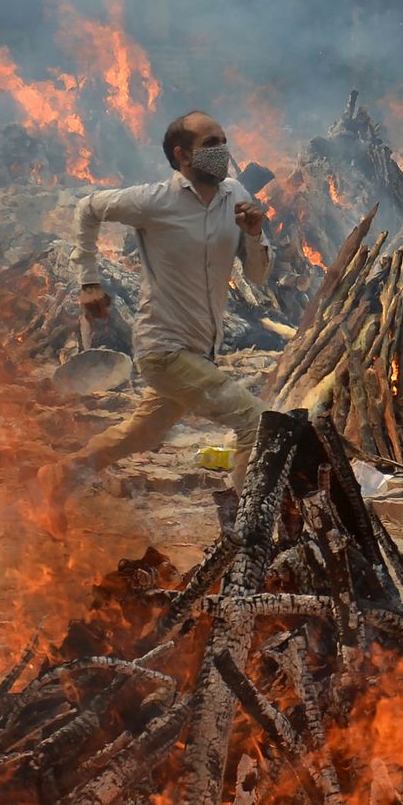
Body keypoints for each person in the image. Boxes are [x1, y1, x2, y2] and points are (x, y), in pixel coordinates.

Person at [37, 111, 272, 529]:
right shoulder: (155, 201)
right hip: (163, 348)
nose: (222, 151)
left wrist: (253, 234)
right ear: (182, 155)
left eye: (223, 140)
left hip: (201, 349)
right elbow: (87, 209)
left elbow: (257, 276)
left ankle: (61, 476)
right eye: (210, 144)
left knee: (142, 434)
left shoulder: (234, 195)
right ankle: (250, 532)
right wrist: (88, 282)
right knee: (254, 421)